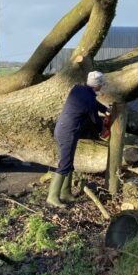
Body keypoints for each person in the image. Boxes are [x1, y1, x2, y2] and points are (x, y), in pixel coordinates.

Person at [47, 70, 109, 208]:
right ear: (97, 85)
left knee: (68, 162)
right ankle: (52, 196)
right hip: (68, 132)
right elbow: (96, 121)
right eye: (101, 84)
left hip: (62, 129)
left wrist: (105, 109)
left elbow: (92, 103)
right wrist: (103, 130)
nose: (102, 87)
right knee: (64, 164)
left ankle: (65, 193)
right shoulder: (89, 100)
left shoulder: (79, 90)